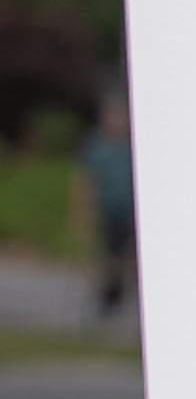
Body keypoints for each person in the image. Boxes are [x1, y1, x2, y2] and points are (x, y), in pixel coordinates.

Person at [74, 90, 133, 321]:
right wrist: (83, 214)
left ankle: (119, 299)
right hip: (108, 211)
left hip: (129, 212)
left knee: (127, 260)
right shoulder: (97, 146)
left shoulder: (131, 146)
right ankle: (106, 301)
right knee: (107, 259)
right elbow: (85, 181)